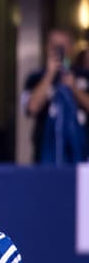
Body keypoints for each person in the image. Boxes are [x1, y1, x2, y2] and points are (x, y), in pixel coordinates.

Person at [22, 26, 89, 165]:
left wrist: (74, 89)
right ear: (47, 47)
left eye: (63, 45)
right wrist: (49, 75)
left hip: (82, 157)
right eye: (54, 45)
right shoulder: (35, 78)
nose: (59, 50)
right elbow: (32, 108)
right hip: (45, 157)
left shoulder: (84, 76)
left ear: (71, 48)